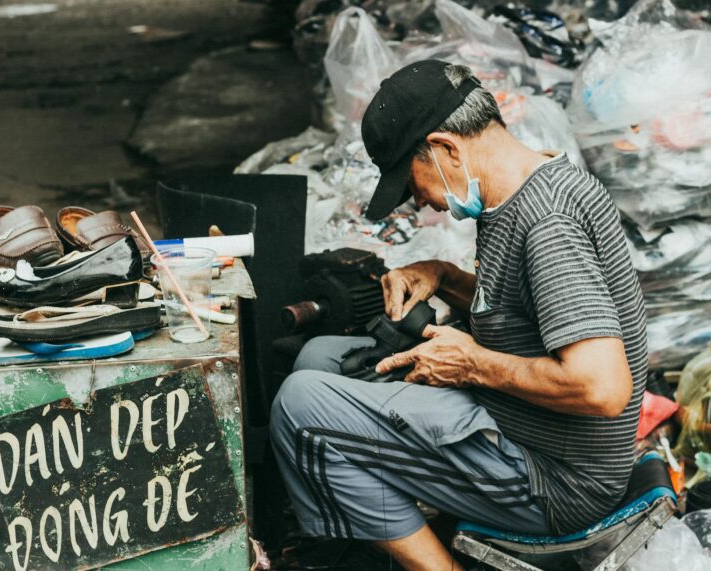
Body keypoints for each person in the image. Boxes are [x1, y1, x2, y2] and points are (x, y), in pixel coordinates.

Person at [270, 60, 647, 571]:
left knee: (299, 404)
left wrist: (472, 365)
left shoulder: (547, 224)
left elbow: (601, 389)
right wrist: (445, 275)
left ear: (446, 147)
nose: (422, 201)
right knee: (318, 356)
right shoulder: (529, 189)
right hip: (527, 430)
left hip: (553, 479)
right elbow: (527, 309)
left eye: (414, 182)